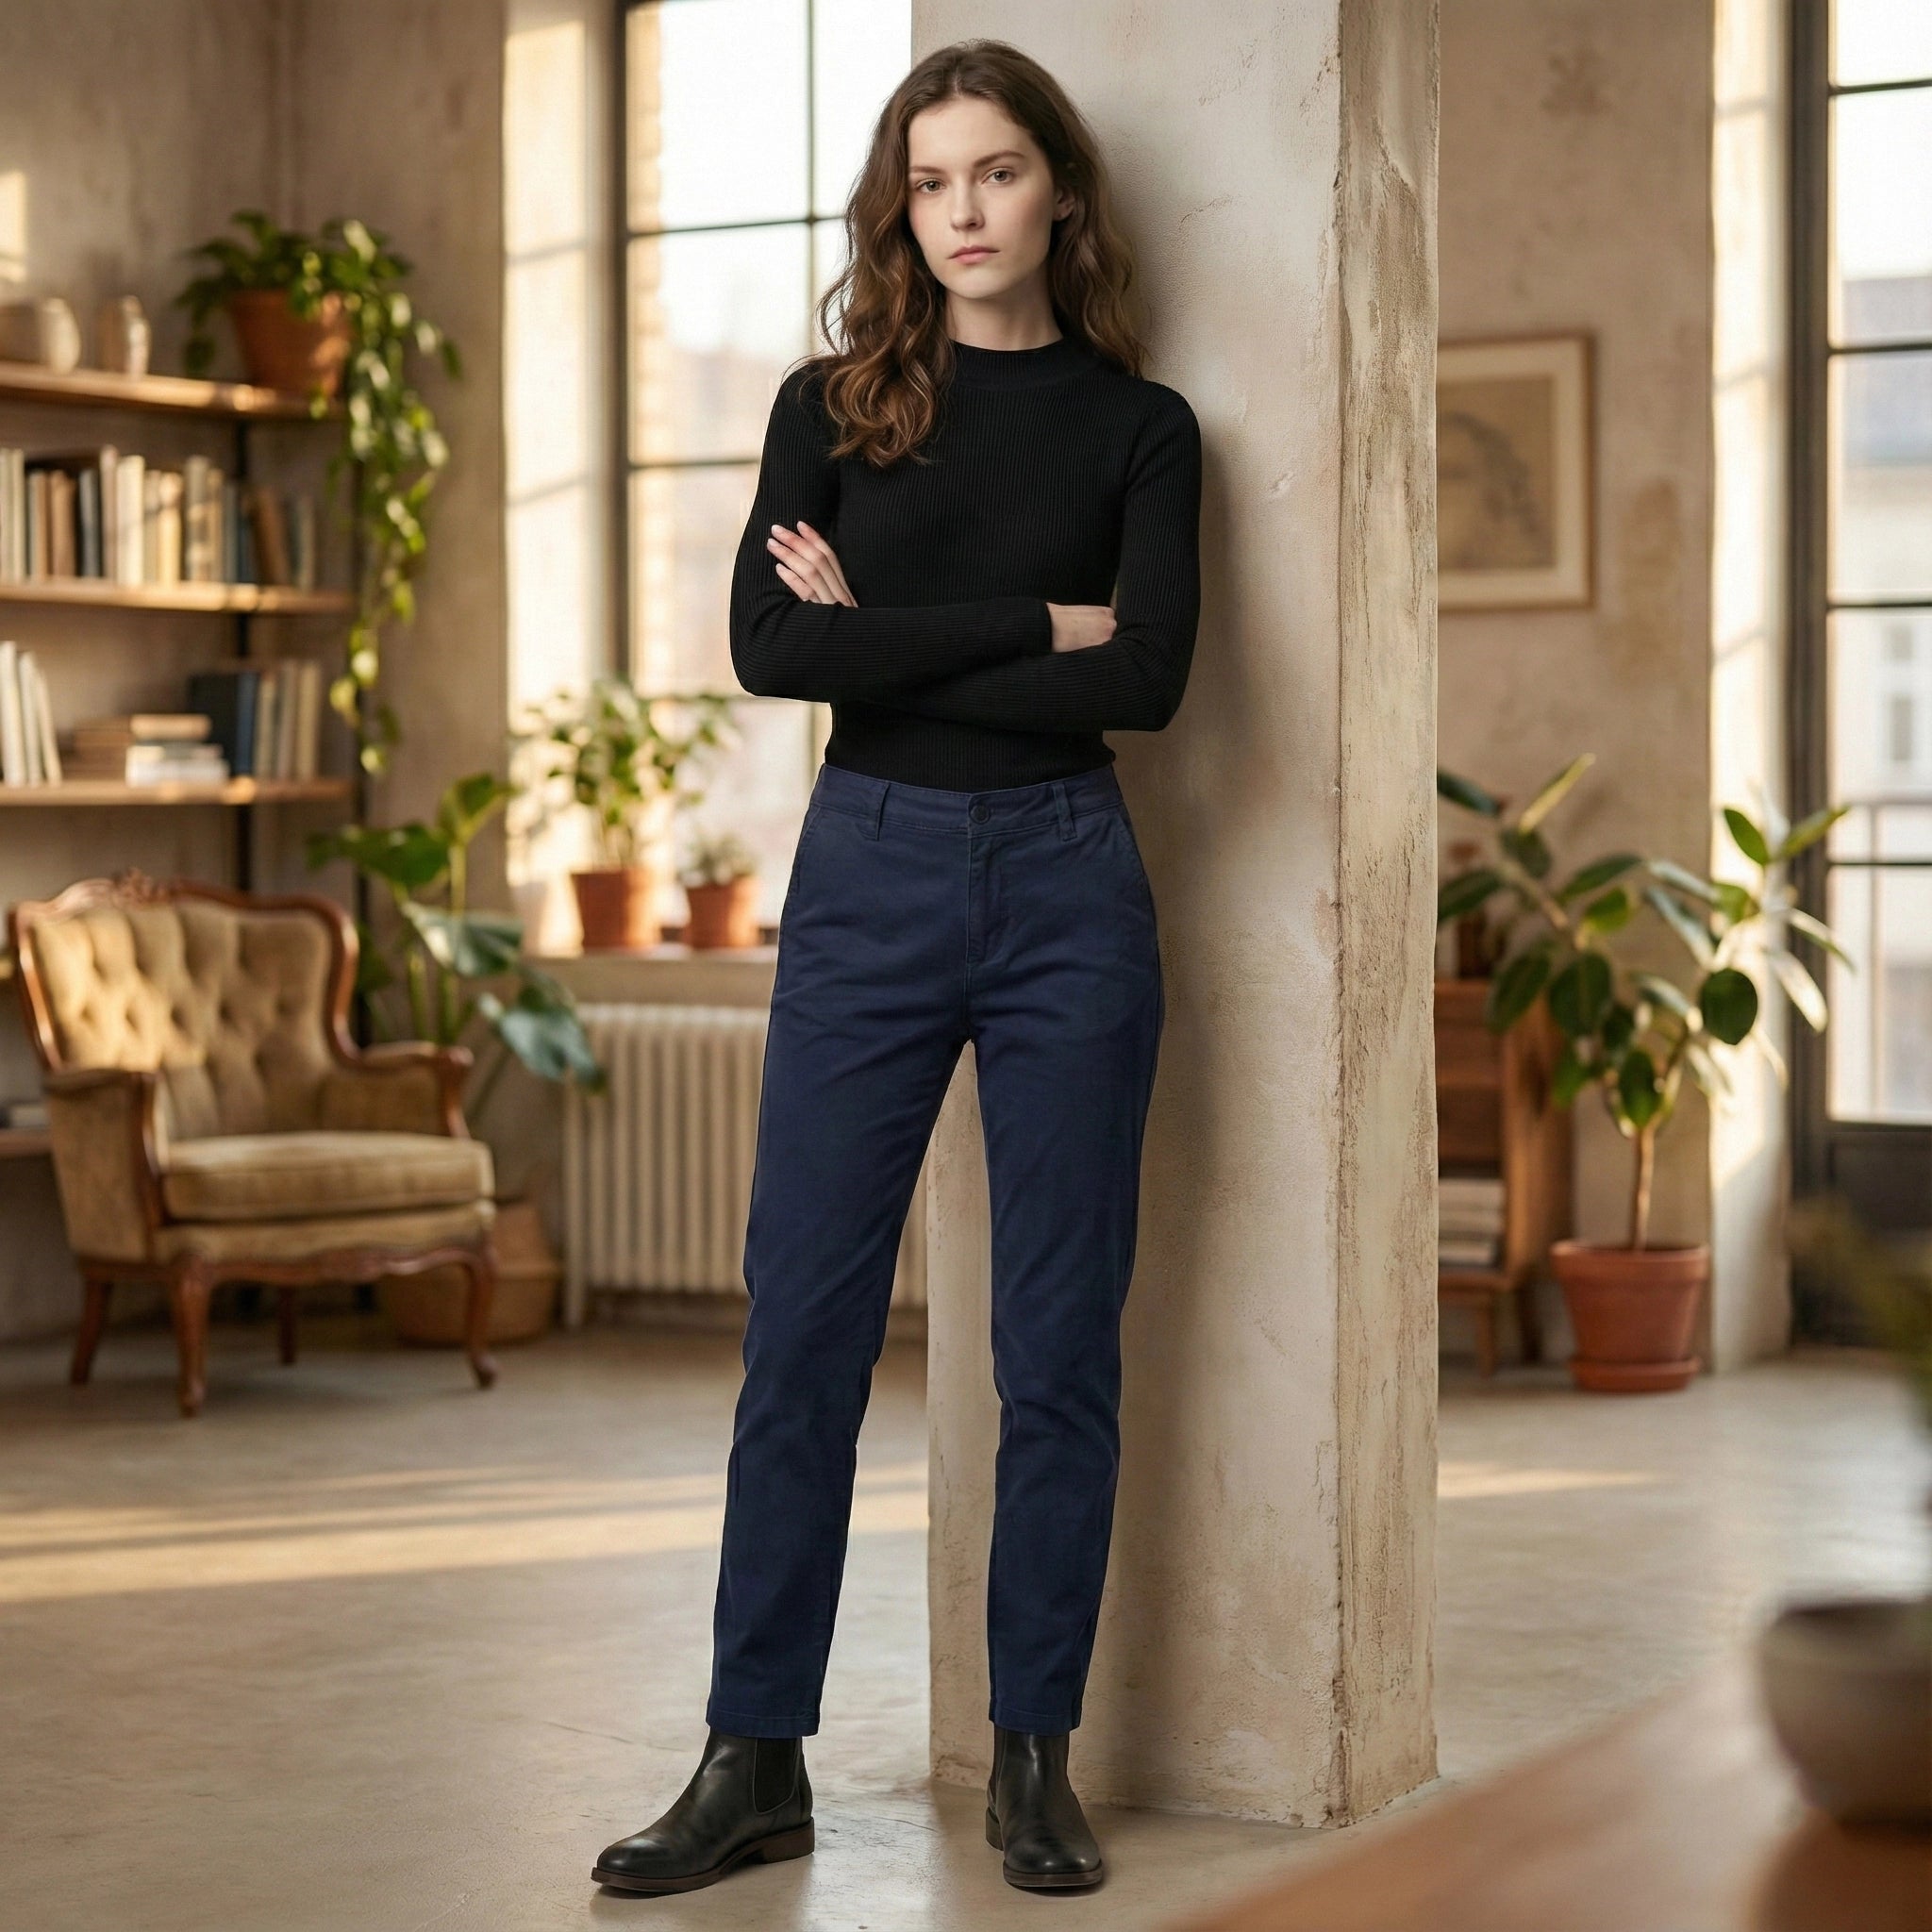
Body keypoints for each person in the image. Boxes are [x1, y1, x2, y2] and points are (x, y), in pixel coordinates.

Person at [592, 35, 1201, 1900]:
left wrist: (899, 638)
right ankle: (749, 1752)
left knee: (1054, 1339)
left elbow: (1147, 679)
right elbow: (776, 649)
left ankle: (1033, 1758)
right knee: (802, 1325)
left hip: (1071, 886)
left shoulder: (1139, 429)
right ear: (897, 206)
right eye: (929, 183)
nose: (962, 213)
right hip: (864, 882)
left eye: (996, 174)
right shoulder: (828, 405)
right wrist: (1033, 616)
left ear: (1058, 193)